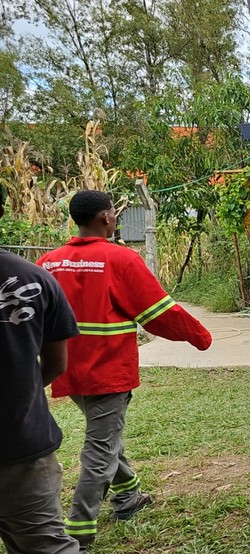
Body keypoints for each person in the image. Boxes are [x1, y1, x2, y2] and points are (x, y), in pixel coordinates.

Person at [38, 190, 212, 551]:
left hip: (66, 370)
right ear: (105, 218)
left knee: (105, 436)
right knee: (100, 448)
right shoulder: (121, 259)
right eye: (114, 212)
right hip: (108, 370)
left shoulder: (49, 263)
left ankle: (128, 495)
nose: (115, 217)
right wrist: (200, 336)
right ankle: (79, 529)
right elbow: (158, 313)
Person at [0, 184, 81, 554]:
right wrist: (22, 388)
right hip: (21, 443)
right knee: (46, 545)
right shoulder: (34, 278)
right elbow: (57, 363)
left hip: (25, 447)